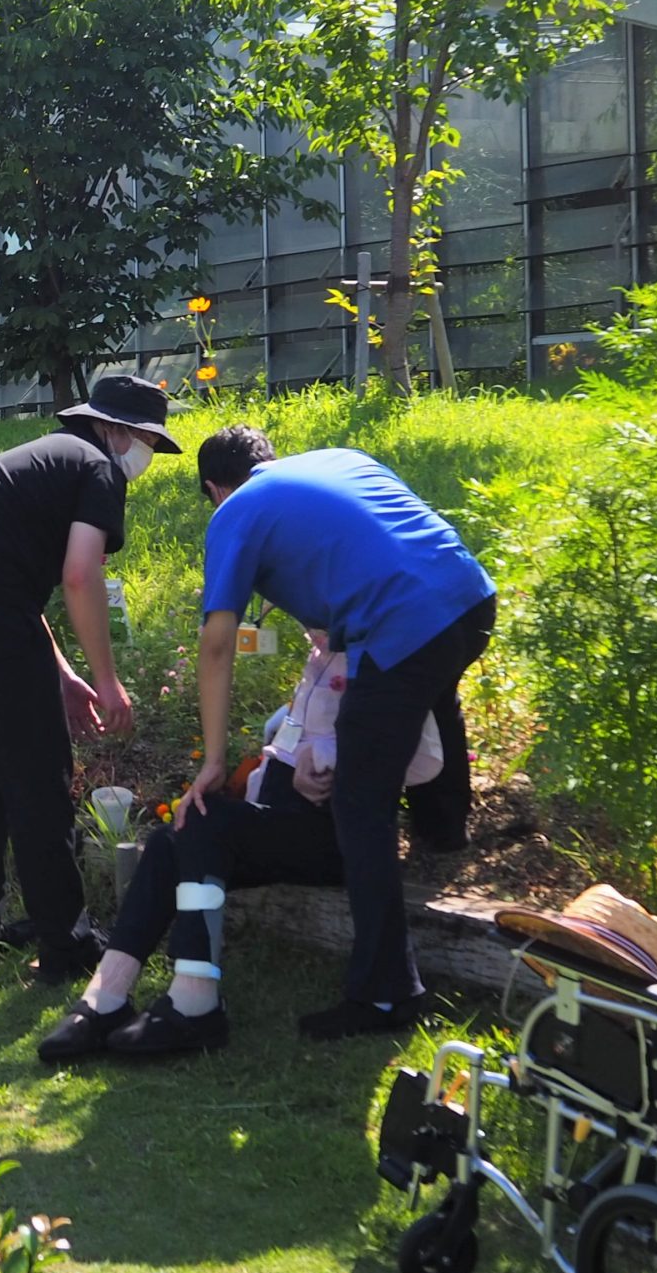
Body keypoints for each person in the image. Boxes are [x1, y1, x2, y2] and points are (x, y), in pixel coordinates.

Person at [179, 424, 497, 1040]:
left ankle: (386, 994)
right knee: (435, 697)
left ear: (215, 489)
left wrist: (215, 759)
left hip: (403, 622)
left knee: (360, 800)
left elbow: (217, 643)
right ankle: (444, 833)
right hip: (470, 597)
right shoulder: (336, 460)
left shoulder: (234, 512)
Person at [41, 621, 445, 1062]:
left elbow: (424, 757)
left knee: (205, 820)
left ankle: (196, 1003)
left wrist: (333, 763)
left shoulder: (382, 653)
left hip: (336, 833)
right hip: (281, 819)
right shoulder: (322, 657)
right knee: (169, 839)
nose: (309, 627)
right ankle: (107, 996)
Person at [0, 373, 172, 979]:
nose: (146, 455)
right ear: (115, 430)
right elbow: (80, 577)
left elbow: (16, 589)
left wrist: (65, 676)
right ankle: (67, 944)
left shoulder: (47, 458)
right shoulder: (97, 467)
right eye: (147, 440)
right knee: (39, 781)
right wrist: (107, 680)